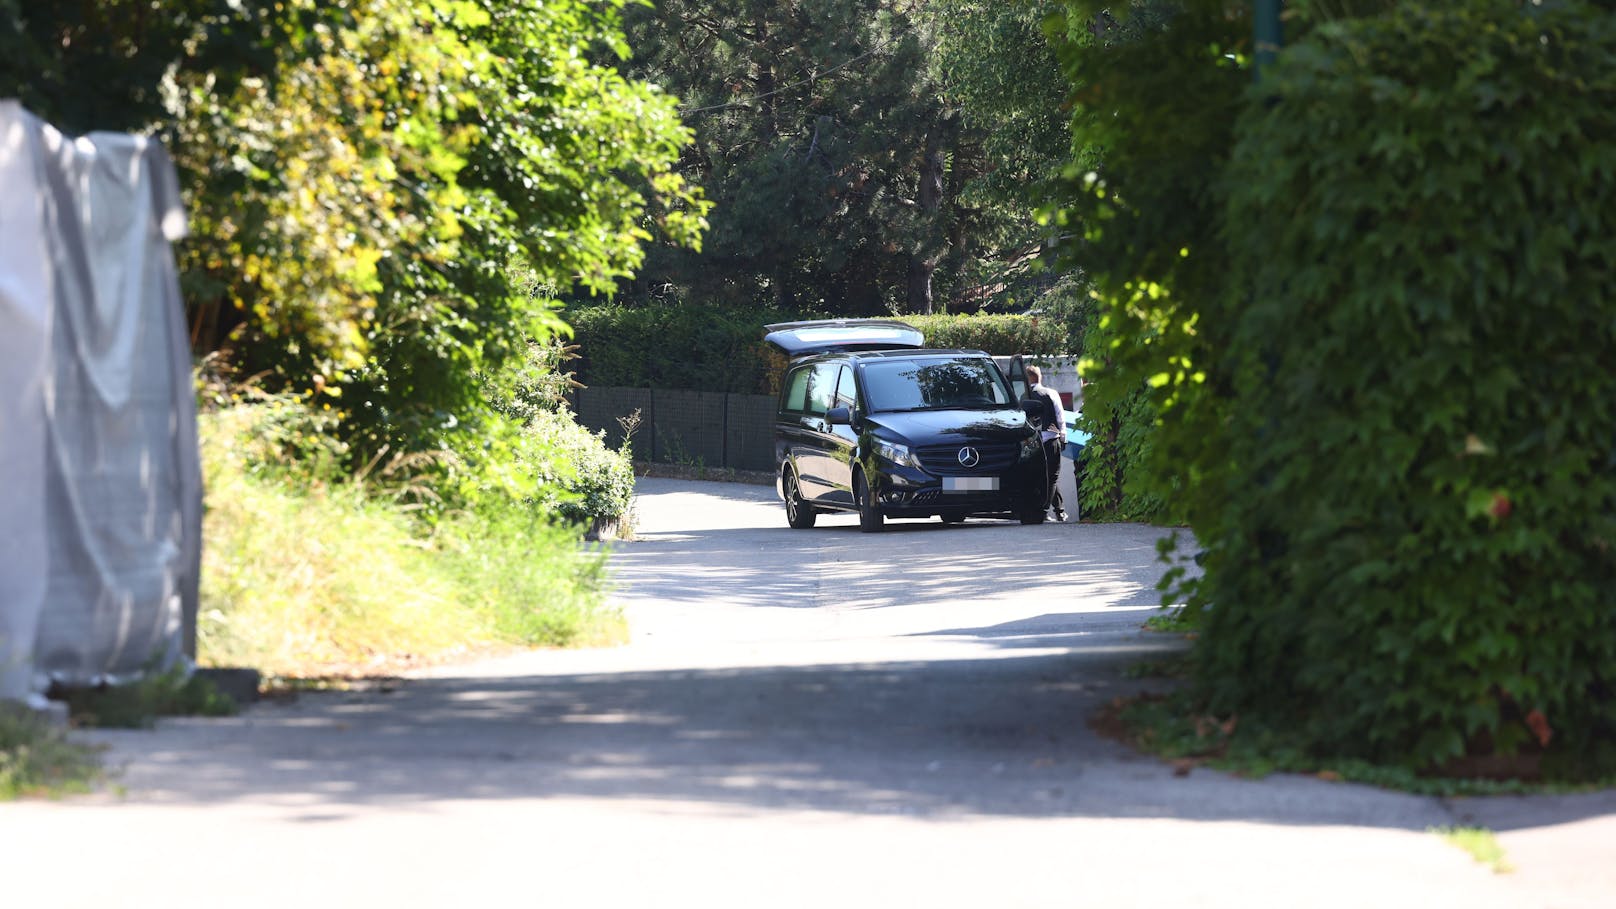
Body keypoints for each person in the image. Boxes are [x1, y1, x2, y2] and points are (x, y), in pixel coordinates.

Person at [1023, 365, 1067, 522]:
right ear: (1039, 377)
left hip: (1032, 442)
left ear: (1027, 379)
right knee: (1052, 476)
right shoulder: (1051, 393)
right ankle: (1045, 510)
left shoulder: (1022, 397)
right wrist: (1063, 436)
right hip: (1051, 438)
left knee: (1041, 477)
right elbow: (1060, 416)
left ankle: (1058, 509)